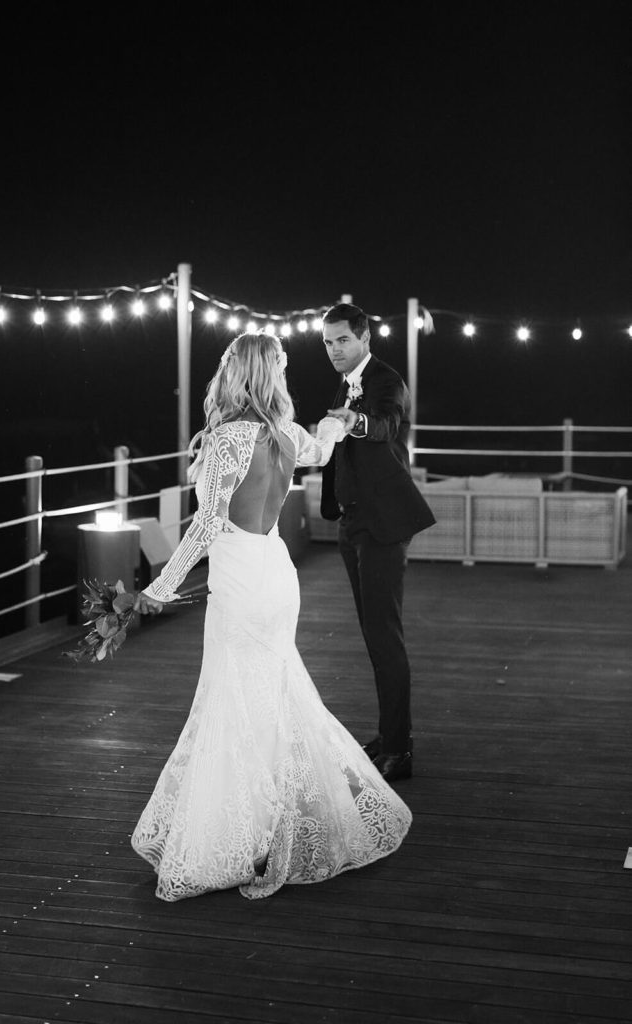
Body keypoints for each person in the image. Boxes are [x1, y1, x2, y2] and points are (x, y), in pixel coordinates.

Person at [131, 332, 412, 902]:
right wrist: (339, 422)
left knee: (233, 701)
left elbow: (207, 526)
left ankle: (243, 834)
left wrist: (158, 586)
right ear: (272, 376)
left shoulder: (229, 440)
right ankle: (269, 816)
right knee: (273, 696)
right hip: (277, 575)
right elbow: (323, 449)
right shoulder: (286, 434)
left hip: (239, 584)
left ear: (232, 375)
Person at [321, 303, 436, 783]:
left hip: (384, 526)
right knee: (373, 633)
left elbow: (385, 422)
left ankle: (399, 749)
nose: (334, 351)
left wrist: (357, 423)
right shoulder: (346, 384)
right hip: (353, 525)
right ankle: (389, 735)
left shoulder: (387, 380)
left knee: (385, 635)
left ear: (364, 338)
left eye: (342, 341)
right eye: (328, 343)